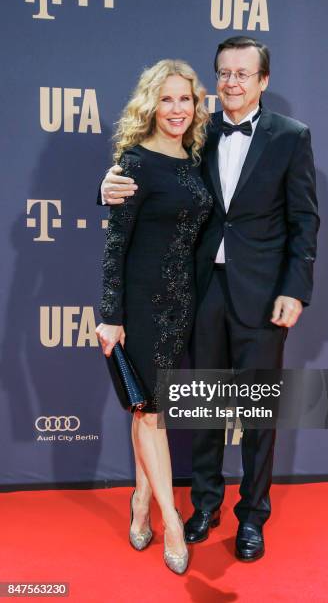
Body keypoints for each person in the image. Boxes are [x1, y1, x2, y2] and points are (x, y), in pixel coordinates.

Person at [100, 36, 319, 562]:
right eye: (224, 73)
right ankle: (204, 504)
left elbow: (305, 219)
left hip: (264, 294)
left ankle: (252, 517)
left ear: (263, 81)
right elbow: (156, 179)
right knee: (201, 405)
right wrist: (106, 186)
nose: (232, 83)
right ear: (214, 81)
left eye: (244, 74)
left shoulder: (291, 137)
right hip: (198, 291)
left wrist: (296, 288)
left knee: (259, 411)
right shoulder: (198, 132)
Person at [95, 59, 212, 574]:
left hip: (182, 304)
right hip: (140, 307)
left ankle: (139, 500)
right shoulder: (134, 163)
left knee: (149, 410)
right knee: (152, 413)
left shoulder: (194, 160)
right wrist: (110, 315)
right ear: (151, 104)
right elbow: (114, 246)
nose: (177, 109)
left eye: (185, 99)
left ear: (195, 104)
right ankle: (171, 520)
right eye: (167, 99)